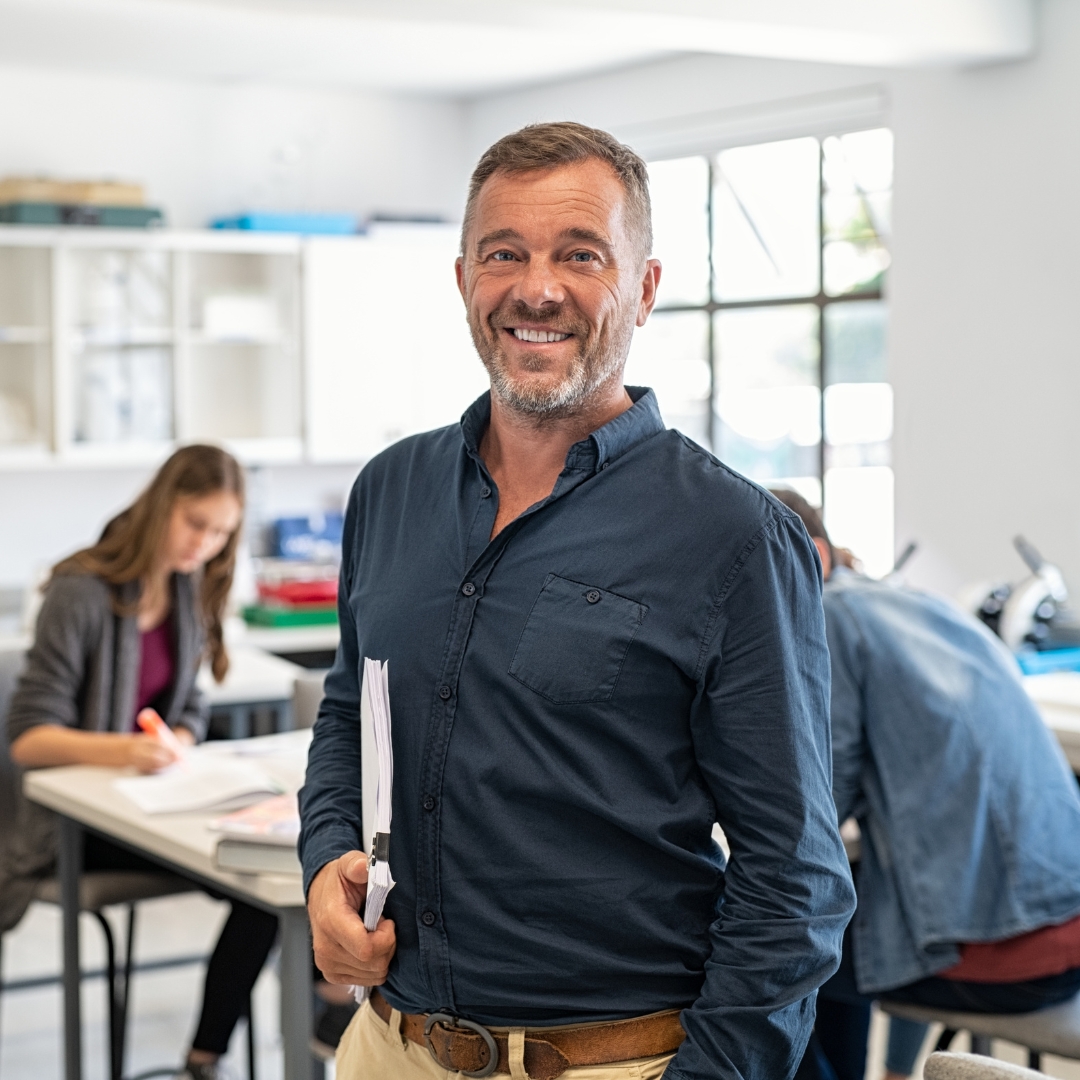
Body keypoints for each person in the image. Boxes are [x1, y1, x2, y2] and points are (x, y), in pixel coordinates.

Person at [299, 120, 855, 1080]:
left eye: (580, 255)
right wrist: (323, 866)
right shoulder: (389, 490)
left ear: (643, 286)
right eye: (503, 253)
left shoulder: (732, 535)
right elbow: (354, 713)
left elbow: (794, 876)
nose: (536, 288)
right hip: (392, 1047)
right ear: (465, 278)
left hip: (613, 1061)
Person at [770, 489, 1080, 1080]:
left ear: (810, 555)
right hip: (1060, 916)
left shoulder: (828, 616)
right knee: (838, 912)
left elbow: (813, 814)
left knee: (772, 951)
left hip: (1011, 948)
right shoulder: (912, 605)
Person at [3, 444, 279, 1080]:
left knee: (275, 878)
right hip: (78, 826)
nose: (203, 545)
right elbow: (27, 737)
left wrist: (178, 734)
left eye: (220, 533)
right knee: (263, 884)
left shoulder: (186, 590)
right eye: (195, 524)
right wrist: (125, 749)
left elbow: (189, 706)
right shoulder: (81, 592)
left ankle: (204, 1057)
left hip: (155, 803)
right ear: (162, 507)